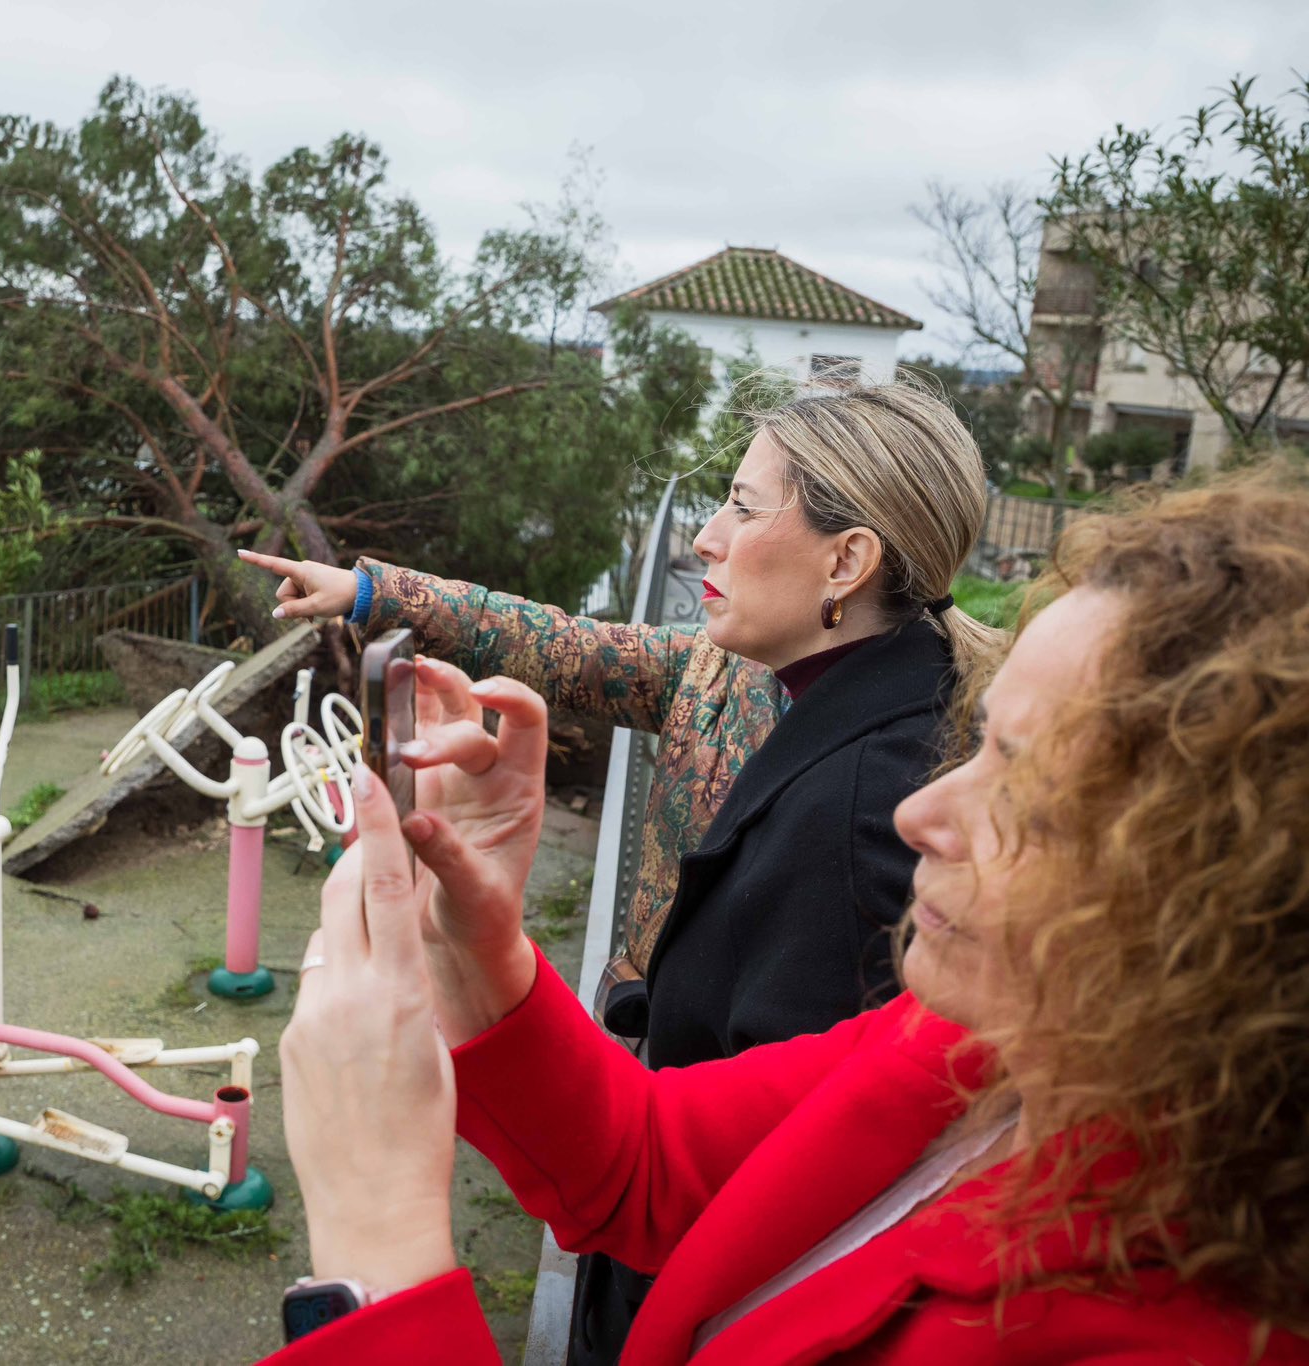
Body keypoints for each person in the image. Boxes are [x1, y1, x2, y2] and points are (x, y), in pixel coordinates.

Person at [264, 465, 1309, 1363]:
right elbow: (648, 1164)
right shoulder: (983, 1045)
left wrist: (374, 1243)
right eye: (977, 744)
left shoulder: (1167, 1329)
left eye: (1024, 787)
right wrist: (477, 952)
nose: (921, 810)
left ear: (1221, 889)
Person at [245, 381, 1001, 1358]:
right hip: (656, 1178)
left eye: (740, 504)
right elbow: (566, 646)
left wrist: (371, 1225)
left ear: (847, 559)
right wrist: (371, 593)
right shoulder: (731, 671)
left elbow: (788, 1199)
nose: (703, 539)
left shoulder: (881, 814)